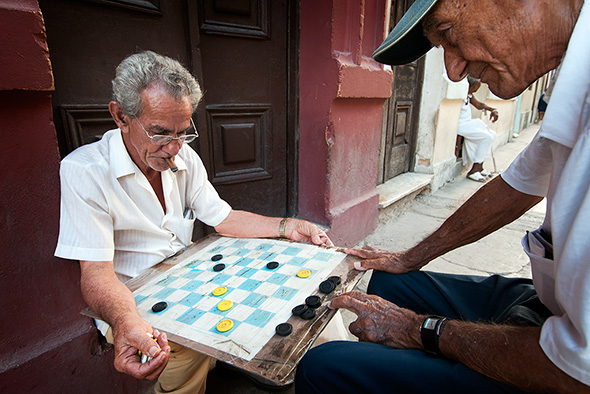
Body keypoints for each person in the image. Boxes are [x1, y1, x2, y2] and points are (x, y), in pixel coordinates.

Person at [296, 0, 590, 393]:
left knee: (323, 367)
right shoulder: (573, 79)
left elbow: (574, 369)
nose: (453, 71)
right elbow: (518, 185)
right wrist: (411, 257)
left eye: (449, 33)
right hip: (548, 309)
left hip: (564, 370)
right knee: (386, 282)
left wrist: (421, 331)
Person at [54, 51, 334, 394]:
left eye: (183, 133)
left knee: (293, 278)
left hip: (191, 278)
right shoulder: (84, 171)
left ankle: (271, 361)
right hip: (131, 300)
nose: (174, 148)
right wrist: (125, 322)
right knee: (180, 349)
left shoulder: (184, 156)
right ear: (120, 116)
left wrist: (288, 226)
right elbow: (96, 274)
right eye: (159, 133)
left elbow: (224, 219)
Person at [458, 76, 498, 182]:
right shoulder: (460, 95)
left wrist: (492, 109)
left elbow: (479, 105)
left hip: (468, 123)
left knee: (492, 134)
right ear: (470, 85)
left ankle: (480, 167)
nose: (477, 89)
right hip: (460, 125)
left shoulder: (469, 95)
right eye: (476, 87)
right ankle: (473, 170)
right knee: (486, 137)